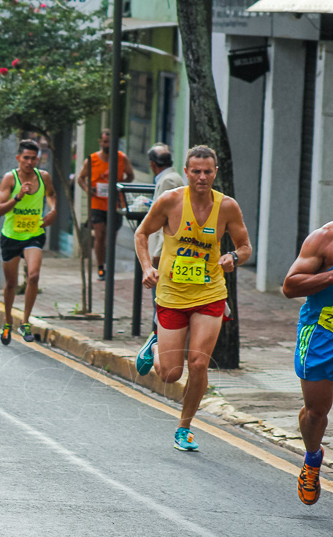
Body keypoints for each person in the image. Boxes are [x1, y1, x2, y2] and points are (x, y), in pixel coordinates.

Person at [133, 145, 252, 451]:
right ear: (186, 172)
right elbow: (142, 234)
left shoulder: (226, 206)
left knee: (199, 363)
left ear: (215, 172)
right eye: (196, 171)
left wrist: (233, 258)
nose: (202, 177)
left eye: (207, 171)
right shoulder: (171, 201)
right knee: (171, 374)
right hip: (172, 294)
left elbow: (245, 246)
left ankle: (184, 427)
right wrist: (148, 267)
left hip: (210, 292)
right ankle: (156, 343)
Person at [282, 220, 333, 505]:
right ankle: (312, 460)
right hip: (323, 334)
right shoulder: (324, 239)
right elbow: (290, 286)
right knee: (316, 412)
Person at [0, 139, 57, 344]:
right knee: (11, 283)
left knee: (34, 275)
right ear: (18, 158)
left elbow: (51, 195)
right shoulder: (10, 179)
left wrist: (53, 210)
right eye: (25, 158)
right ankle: (7, 320)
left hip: (34, 234)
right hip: (11, 236)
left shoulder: (43, 177)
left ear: (38, 159)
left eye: (33, 158)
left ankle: (26, 321)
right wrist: (18, 197)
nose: (29, 162)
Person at [78, 128, 134, 280]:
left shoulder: (121, 158)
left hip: (115, 203)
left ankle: (109, 264)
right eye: (104, 141)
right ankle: (100, 267)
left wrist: (119, 186)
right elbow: (81, 178)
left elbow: (131, 175)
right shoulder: (92, 160)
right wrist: (88, 189)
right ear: (100, 142)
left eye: (109, 142)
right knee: (100, 234)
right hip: (97, 203)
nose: (106, 144)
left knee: (111, 236)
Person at [144, 143, 185, 334]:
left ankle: (158, 339)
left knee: (160, 296)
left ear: (152, 164)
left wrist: (158, 252)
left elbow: (166, 221)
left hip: (166, 250)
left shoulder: (168, 181)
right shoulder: (170, 178)